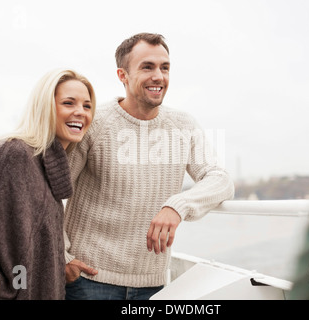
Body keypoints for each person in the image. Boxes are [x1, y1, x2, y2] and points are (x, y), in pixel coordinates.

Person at [64, 33, 235, 300]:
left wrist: (177, 206)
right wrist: (62, 254)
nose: (159, 76)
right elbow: (51, 193)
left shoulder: (183, 125)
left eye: (164, 68)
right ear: (122, 75)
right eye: (147, 67)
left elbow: (220, 179)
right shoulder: (94, 122)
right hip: (88, 280)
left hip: (152, 285)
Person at [0, 68, 96, 300]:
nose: (80, 112)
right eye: (69, 103)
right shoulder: (13, 153)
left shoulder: (49, 168)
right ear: (46, 107)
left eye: (87, 106)